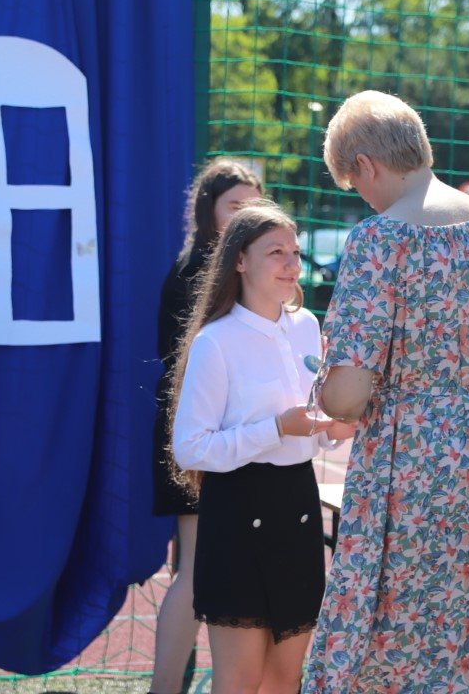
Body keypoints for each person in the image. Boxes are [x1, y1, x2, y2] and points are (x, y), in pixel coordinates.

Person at [301, 90, 469, 694]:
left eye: (354, 184)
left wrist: (326, 385)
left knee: (393, 643)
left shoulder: (379, 240)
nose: (362, 198)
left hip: (417, 462)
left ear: (365, 165)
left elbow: (347, 397)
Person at [171, 201, 353, 694]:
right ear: (239, 260)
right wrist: (276, 428)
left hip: (298, 507)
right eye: (276, 252)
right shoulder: (216, 341)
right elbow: (190, 449)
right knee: (239, 680)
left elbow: (308, 426)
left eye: (294, 252)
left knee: (284, 679)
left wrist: (333, 429)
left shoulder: (307, 325)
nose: (291, 264)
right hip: (237, 511)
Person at [149, 158, 263, 694]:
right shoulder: (201, 272)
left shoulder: (236, 268)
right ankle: (166, 686)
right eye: (234, 206)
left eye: (254, 206)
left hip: (230, 438)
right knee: (196, 570)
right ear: (207, 210)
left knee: (214, 570)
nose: (246, 216)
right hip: (201, 437)